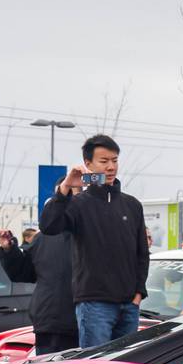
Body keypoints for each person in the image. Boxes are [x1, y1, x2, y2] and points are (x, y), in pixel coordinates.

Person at [38, 134, 150, 347]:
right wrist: (65, 189)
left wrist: (138, 294)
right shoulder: (78, 203)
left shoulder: (132, 205)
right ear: (88, 164)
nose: (111, 167)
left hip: (129, 305)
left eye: (114, 160)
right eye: (104, 161)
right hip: (94, 305)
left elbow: (142, 253)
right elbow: (48, 226)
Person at [0, 226, 77, 355]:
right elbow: (23, 271)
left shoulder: (90, 231)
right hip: (49, 322)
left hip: (80, 320)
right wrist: (10, 250)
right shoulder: (43, 237)